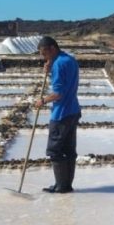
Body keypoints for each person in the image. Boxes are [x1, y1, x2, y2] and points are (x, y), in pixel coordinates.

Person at [35, 36, 81, 193]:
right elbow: (65, 83)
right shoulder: (69, 59)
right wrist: (50, 70)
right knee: (68, 150)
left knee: (54, 151)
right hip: (73, 110)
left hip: (61, 114)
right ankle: (66, 185)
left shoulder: (59, 64)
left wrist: (43, 100)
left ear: (52, 48)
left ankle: (61, 186)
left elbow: (58, 93)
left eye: (44, 53)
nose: (43, 57)